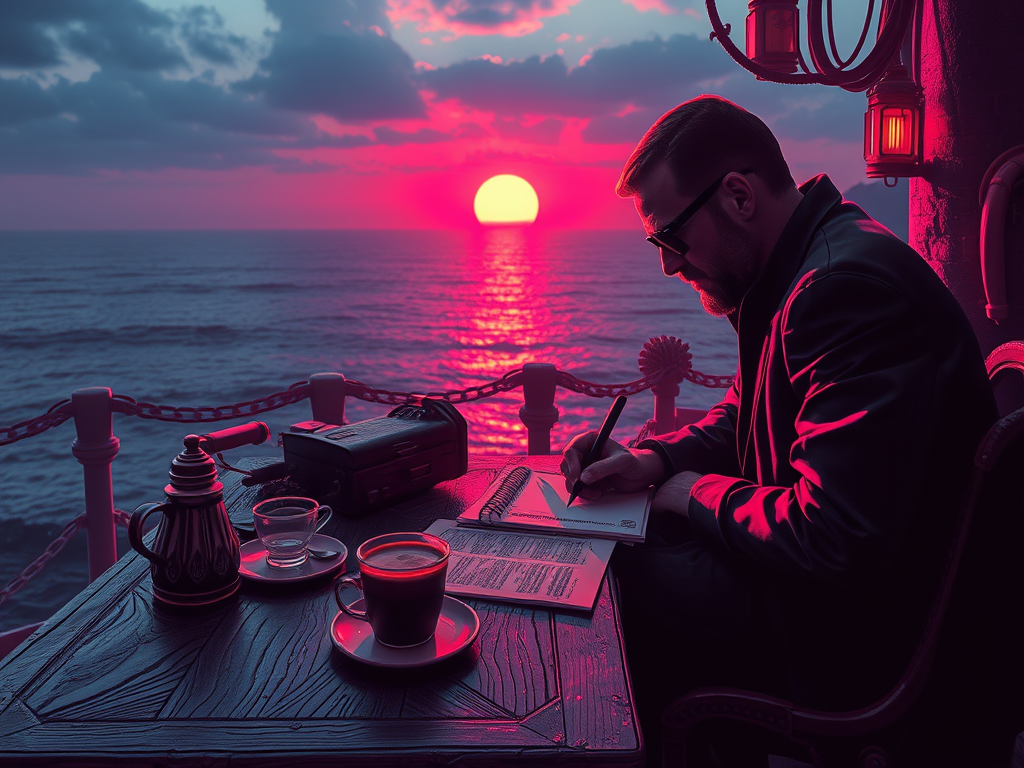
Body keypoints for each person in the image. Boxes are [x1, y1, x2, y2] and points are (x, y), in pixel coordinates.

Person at [560, 95, 1018, 766]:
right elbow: (748, 416)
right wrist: (655, 464)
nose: (667, 264)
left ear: (739, 197)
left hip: (860, 639)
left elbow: (835, 538)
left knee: (607, 578)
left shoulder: (841, 288)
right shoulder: (807, 265)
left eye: (670, 237)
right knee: (617, 549)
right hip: (848, 600)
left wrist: (688, 493)